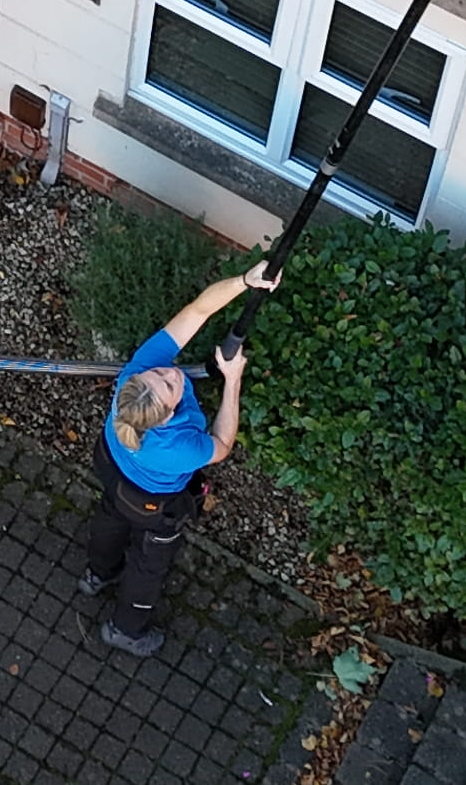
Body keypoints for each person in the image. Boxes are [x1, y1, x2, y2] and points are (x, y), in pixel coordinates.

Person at [80, 261, 276, 656]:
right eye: (170, 384)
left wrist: (245, 281)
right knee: (148, 565)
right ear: (168, 416)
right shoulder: (178, 448)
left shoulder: (136, 378)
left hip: (113, 469)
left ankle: (97, 574)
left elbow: (196, 312)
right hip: (152, 505)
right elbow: (221, 444)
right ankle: (125, 629)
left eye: (162, 374)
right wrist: (233, 380)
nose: (172, 374)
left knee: (110, 517)